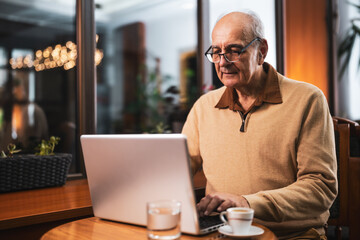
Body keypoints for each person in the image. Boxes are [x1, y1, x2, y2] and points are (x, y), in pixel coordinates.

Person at [181, 11, 337, 240]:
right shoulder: (204, 107)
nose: (223, 62)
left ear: (261, 50)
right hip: (222, 234)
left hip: (291, 235)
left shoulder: (308, 99)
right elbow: (177, 170)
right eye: (216, 52)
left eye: (234, 50)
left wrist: (246, 203)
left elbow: (320, 189)